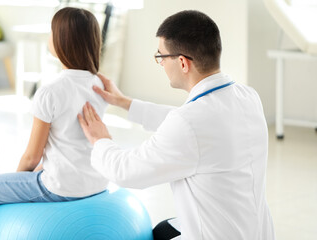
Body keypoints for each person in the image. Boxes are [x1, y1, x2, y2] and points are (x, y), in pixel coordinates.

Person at [77, 10, 275, 240]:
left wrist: (100, 141)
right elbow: (194, 125)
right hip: (255, 232)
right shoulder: (247, 96)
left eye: (161, 56)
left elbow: (127, 172)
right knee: (164, 229)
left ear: (182, 62)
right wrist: (126, 103)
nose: (160, 64)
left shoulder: (190, 123)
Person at [0, 7, 108, 240]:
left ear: (61, 41)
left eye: (51, 31)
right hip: (97, 182)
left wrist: (13, 187)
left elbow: (31, 157)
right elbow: (72, 143)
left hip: (61, 187)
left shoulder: (50, 91)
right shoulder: (99, 85)